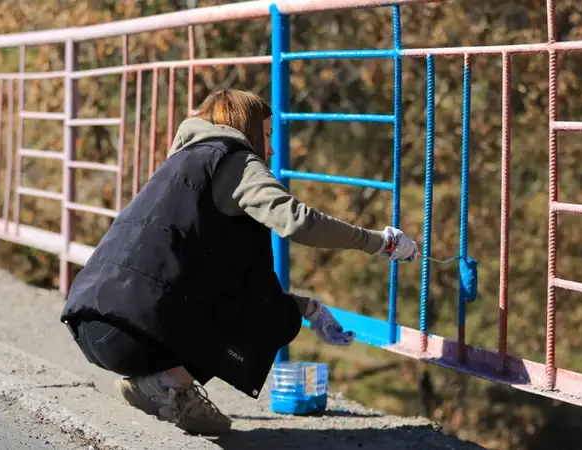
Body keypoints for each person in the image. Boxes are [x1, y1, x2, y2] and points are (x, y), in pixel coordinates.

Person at [59, 89, 419, 435]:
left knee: (263, 301)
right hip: (135, 334)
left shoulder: (180, 165)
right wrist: (379, 243)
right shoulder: (234, 158)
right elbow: (297, 221)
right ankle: (167, 385)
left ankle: (164, 386)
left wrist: (309, 307)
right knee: (277, 317)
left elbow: (212, 283)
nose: (272, 148)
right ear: (245, 129)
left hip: (91, 325)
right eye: (266, 134)